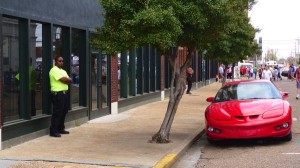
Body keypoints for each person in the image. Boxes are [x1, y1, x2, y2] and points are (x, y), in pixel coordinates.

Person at [49, 56, 73, 137]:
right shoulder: (53, 70)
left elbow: (69, 80)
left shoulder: (63, 71)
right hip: (57, 94)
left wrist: (68, 80)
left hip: (64, 93)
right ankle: (53, 131)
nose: (61, 62)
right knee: (57, 112)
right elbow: (65, 80)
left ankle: (60, 128)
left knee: (64, 111)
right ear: (55, 61)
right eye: (59, 61)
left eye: (62, 61)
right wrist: (68, 80)